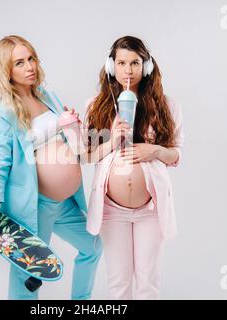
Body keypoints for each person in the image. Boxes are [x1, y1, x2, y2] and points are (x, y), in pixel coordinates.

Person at [0, 35, 102, 300]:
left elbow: (72, 144)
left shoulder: (48, 96)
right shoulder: (3, 112)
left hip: (66, 203)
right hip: (36, 207)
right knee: (29, 275)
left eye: (31, 58)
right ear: (7, 71)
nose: (29, 67)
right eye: (19, 63)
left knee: (92, 246)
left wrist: (72, 126)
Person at [83, 36, 184, 299]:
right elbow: (87, 156)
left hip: (149, 209)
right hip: (112, 211)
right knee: (118, 282)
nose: (128, 70)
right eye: (122, 62)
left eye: (135, 63)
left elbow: (176, 154)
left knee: (148, 281)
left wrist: (156, 151)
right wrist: (111, 140)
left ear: (146, 66)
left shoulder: (166, 106)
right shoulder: (95, 106)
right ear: (111, 66)